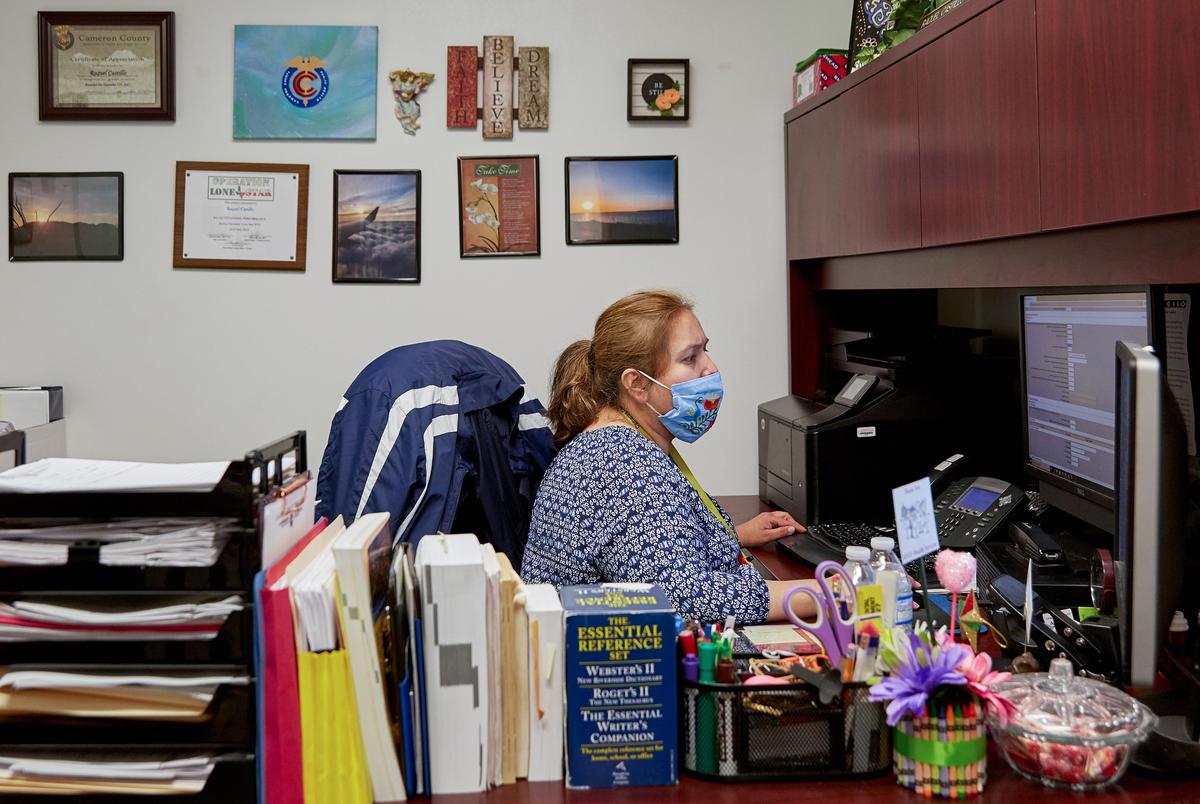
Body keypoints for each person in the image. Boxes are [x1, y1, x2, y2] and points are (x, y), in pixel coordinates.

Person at [520, 290, 818, 623]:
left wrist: (731, 535)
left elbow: (643, 541)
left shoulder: (616, 437)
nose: (711, 369)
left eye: (705, 350)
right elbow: (685, 597)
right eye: (690, 358)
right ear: (637, 384)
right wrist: (830, 594)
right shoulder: (621, 462)